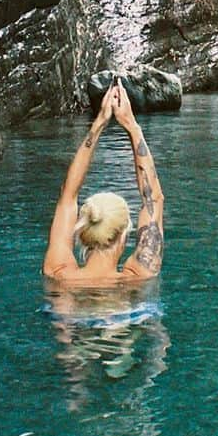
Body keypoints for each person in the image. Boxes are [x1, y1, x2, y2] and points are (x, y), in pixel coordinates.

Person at [42, 78, 165, 286]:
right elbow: (153, 199)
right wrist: (131, 125)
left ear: (81, 232)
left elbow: (67, 196)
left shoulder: (58, 274)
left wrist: (99, 123)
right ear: (124, 234)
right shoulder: (138, 278)